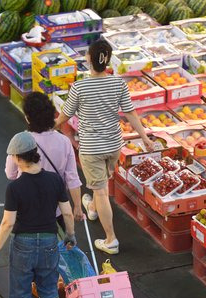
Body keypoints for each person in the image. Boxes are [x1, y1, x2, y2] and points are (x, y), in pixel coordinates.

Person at [56, 39, 153, 255]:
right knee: (102, 181)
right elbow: (130, 113)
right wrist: (144, 137)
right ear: (108, 60)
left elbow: (66, 113)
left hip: (92, 148)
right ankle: (92, 209)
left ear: (89, 59)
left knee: (100, 191)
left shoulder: (80, 87)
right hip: (113, 145)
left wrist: (46, 126)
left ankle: (111, 239)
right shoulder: (118, 83)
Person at [0, 132, 73, 298]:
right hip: (49, 240)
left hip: (23, 243)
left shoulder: (15, 188)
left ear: (17, 157)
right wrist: (71, 235)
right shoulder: (55, 180)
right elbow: (66, 211)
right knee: (49, 290)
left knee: (22, 291)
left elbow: (8, 222)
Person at [5, 92, 83, 228]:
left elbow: (10, 174)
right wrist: (77, 206)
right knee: (57, 246)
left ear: (28, 118)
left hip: (26, 208)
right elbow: (72, 178)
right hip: (55, 208)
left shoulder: (21, 141)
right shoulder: (64, 142)